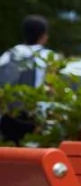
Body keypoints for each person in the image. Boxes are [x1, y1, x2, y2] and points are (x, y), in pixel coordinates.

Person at [0, 15, 53, 143]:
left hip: (8, 115)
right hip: (35, 117)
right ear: (43, 35)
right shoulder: (48, 57)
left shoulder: (9, 55)